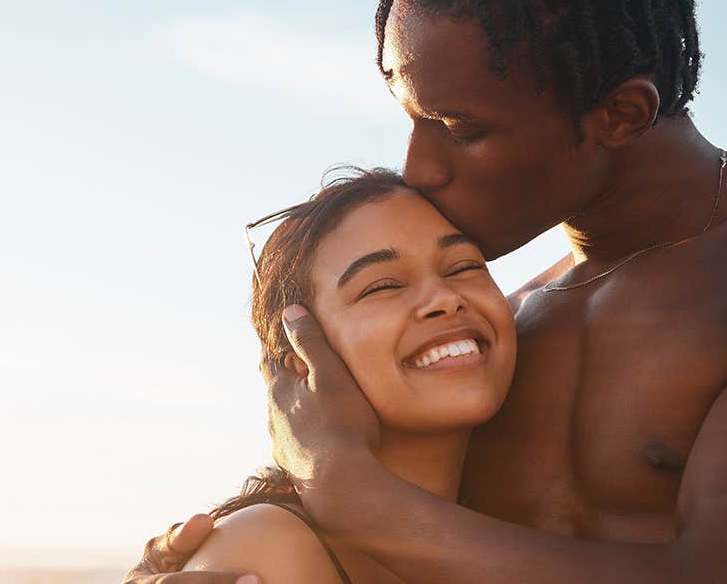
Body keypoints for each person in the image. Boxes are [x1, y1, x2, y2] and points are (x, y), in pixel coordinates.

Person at [127, 0, 727, 583]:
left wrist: (360, 503)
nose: (419, 166)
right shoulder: (497, 328)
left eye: (460, 128)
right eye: (412, 116)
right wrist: (218, 554)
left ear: (621, 115)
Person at [179, 167, 518, 583]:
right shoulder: (267, 550)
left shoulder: (519, 523)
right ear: (301, 361)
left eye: (464, 267)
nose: (445, 299)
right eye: (382, 286)